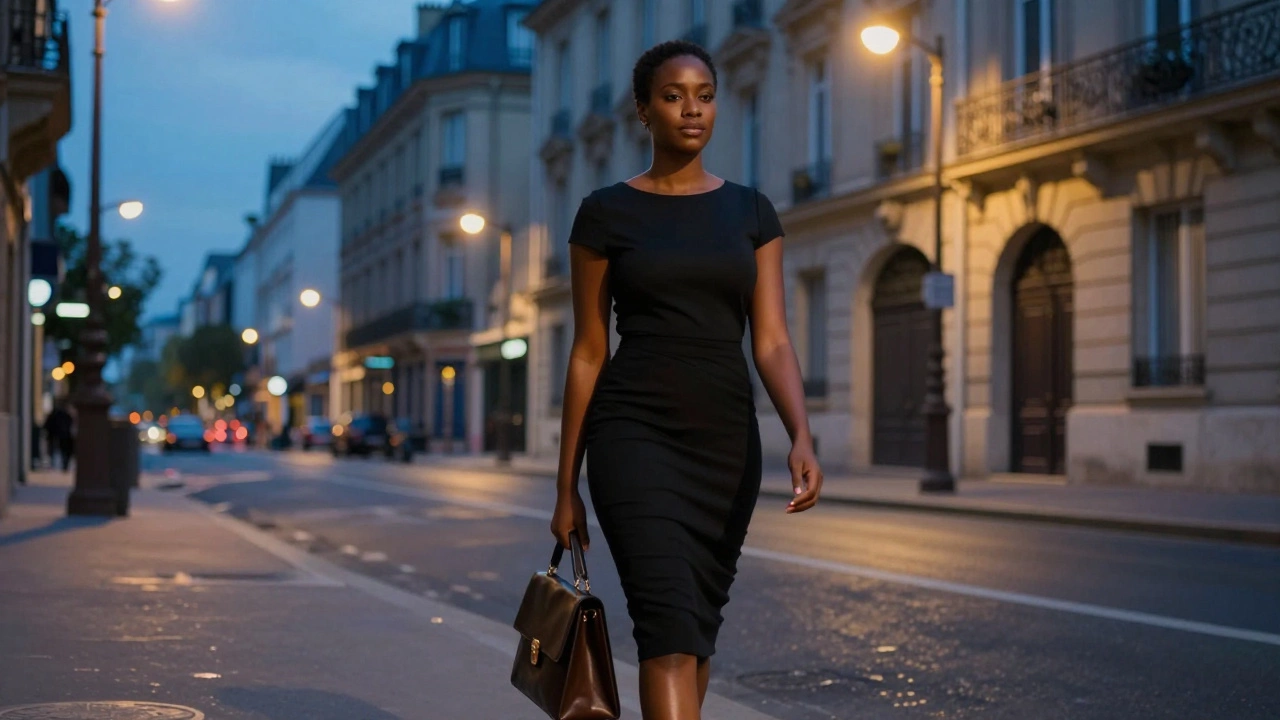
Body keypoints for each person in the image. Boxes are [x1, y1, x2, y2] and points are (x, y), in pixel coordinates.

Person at [550, 40, 824, 719]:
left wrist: (801, 434)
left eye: (704, 96)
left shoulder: (752, 213)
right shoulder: (605, 212)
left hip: (725, 443)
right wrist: (565, 486)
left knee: (696, 629)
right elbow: (588, 350)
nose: (692, 109)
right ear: (644, 111)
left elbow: (772, 338)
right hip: (633, 435)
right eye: (673, 96)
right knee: (668, 626)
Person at [43, 400, 75, 472]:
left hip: (57, 438)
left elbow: (46, 426)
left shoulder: (55, 414)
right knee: (63, 454)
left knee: (56, 454)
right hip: (64, 438)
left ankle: (57, 468)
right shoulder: (67, 415)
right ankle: (62, 468)